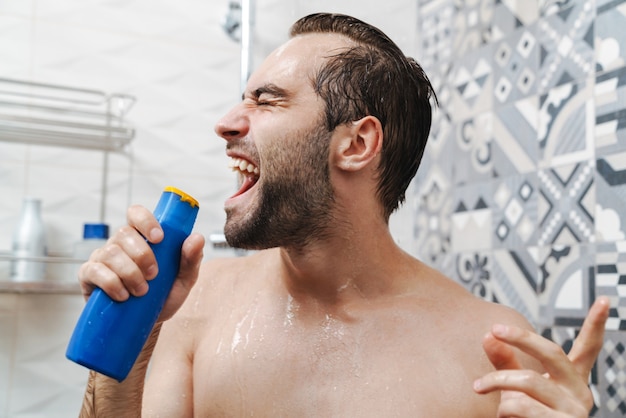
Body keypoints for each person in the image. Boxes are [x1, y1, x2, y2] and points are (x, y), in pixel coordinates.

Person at [77, 13, 609, 417]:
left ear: (356, 143)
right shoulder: (189, 308)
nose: (225, 123)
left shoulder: (491, 348)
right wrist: (125, 350)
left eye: (267, 101)